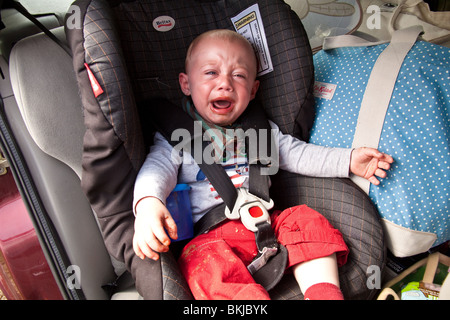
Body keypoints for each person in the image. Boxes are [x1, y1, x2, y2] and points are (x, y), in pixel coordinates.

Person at [132, 29, 393, 300]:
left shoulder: (261, 131)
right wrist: (148, 203)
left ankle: (323, 294)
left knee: (306, 220)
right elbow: (156, 170)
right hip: (210, 238)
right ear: (186, 84)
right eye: (211, 73)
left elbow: (300, 155)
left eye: (239, 75)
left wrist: (348, 160)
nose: (225, 84)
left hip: (266, 223)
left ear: (254, 89)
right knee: (200, 266)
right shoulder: (177, 137)